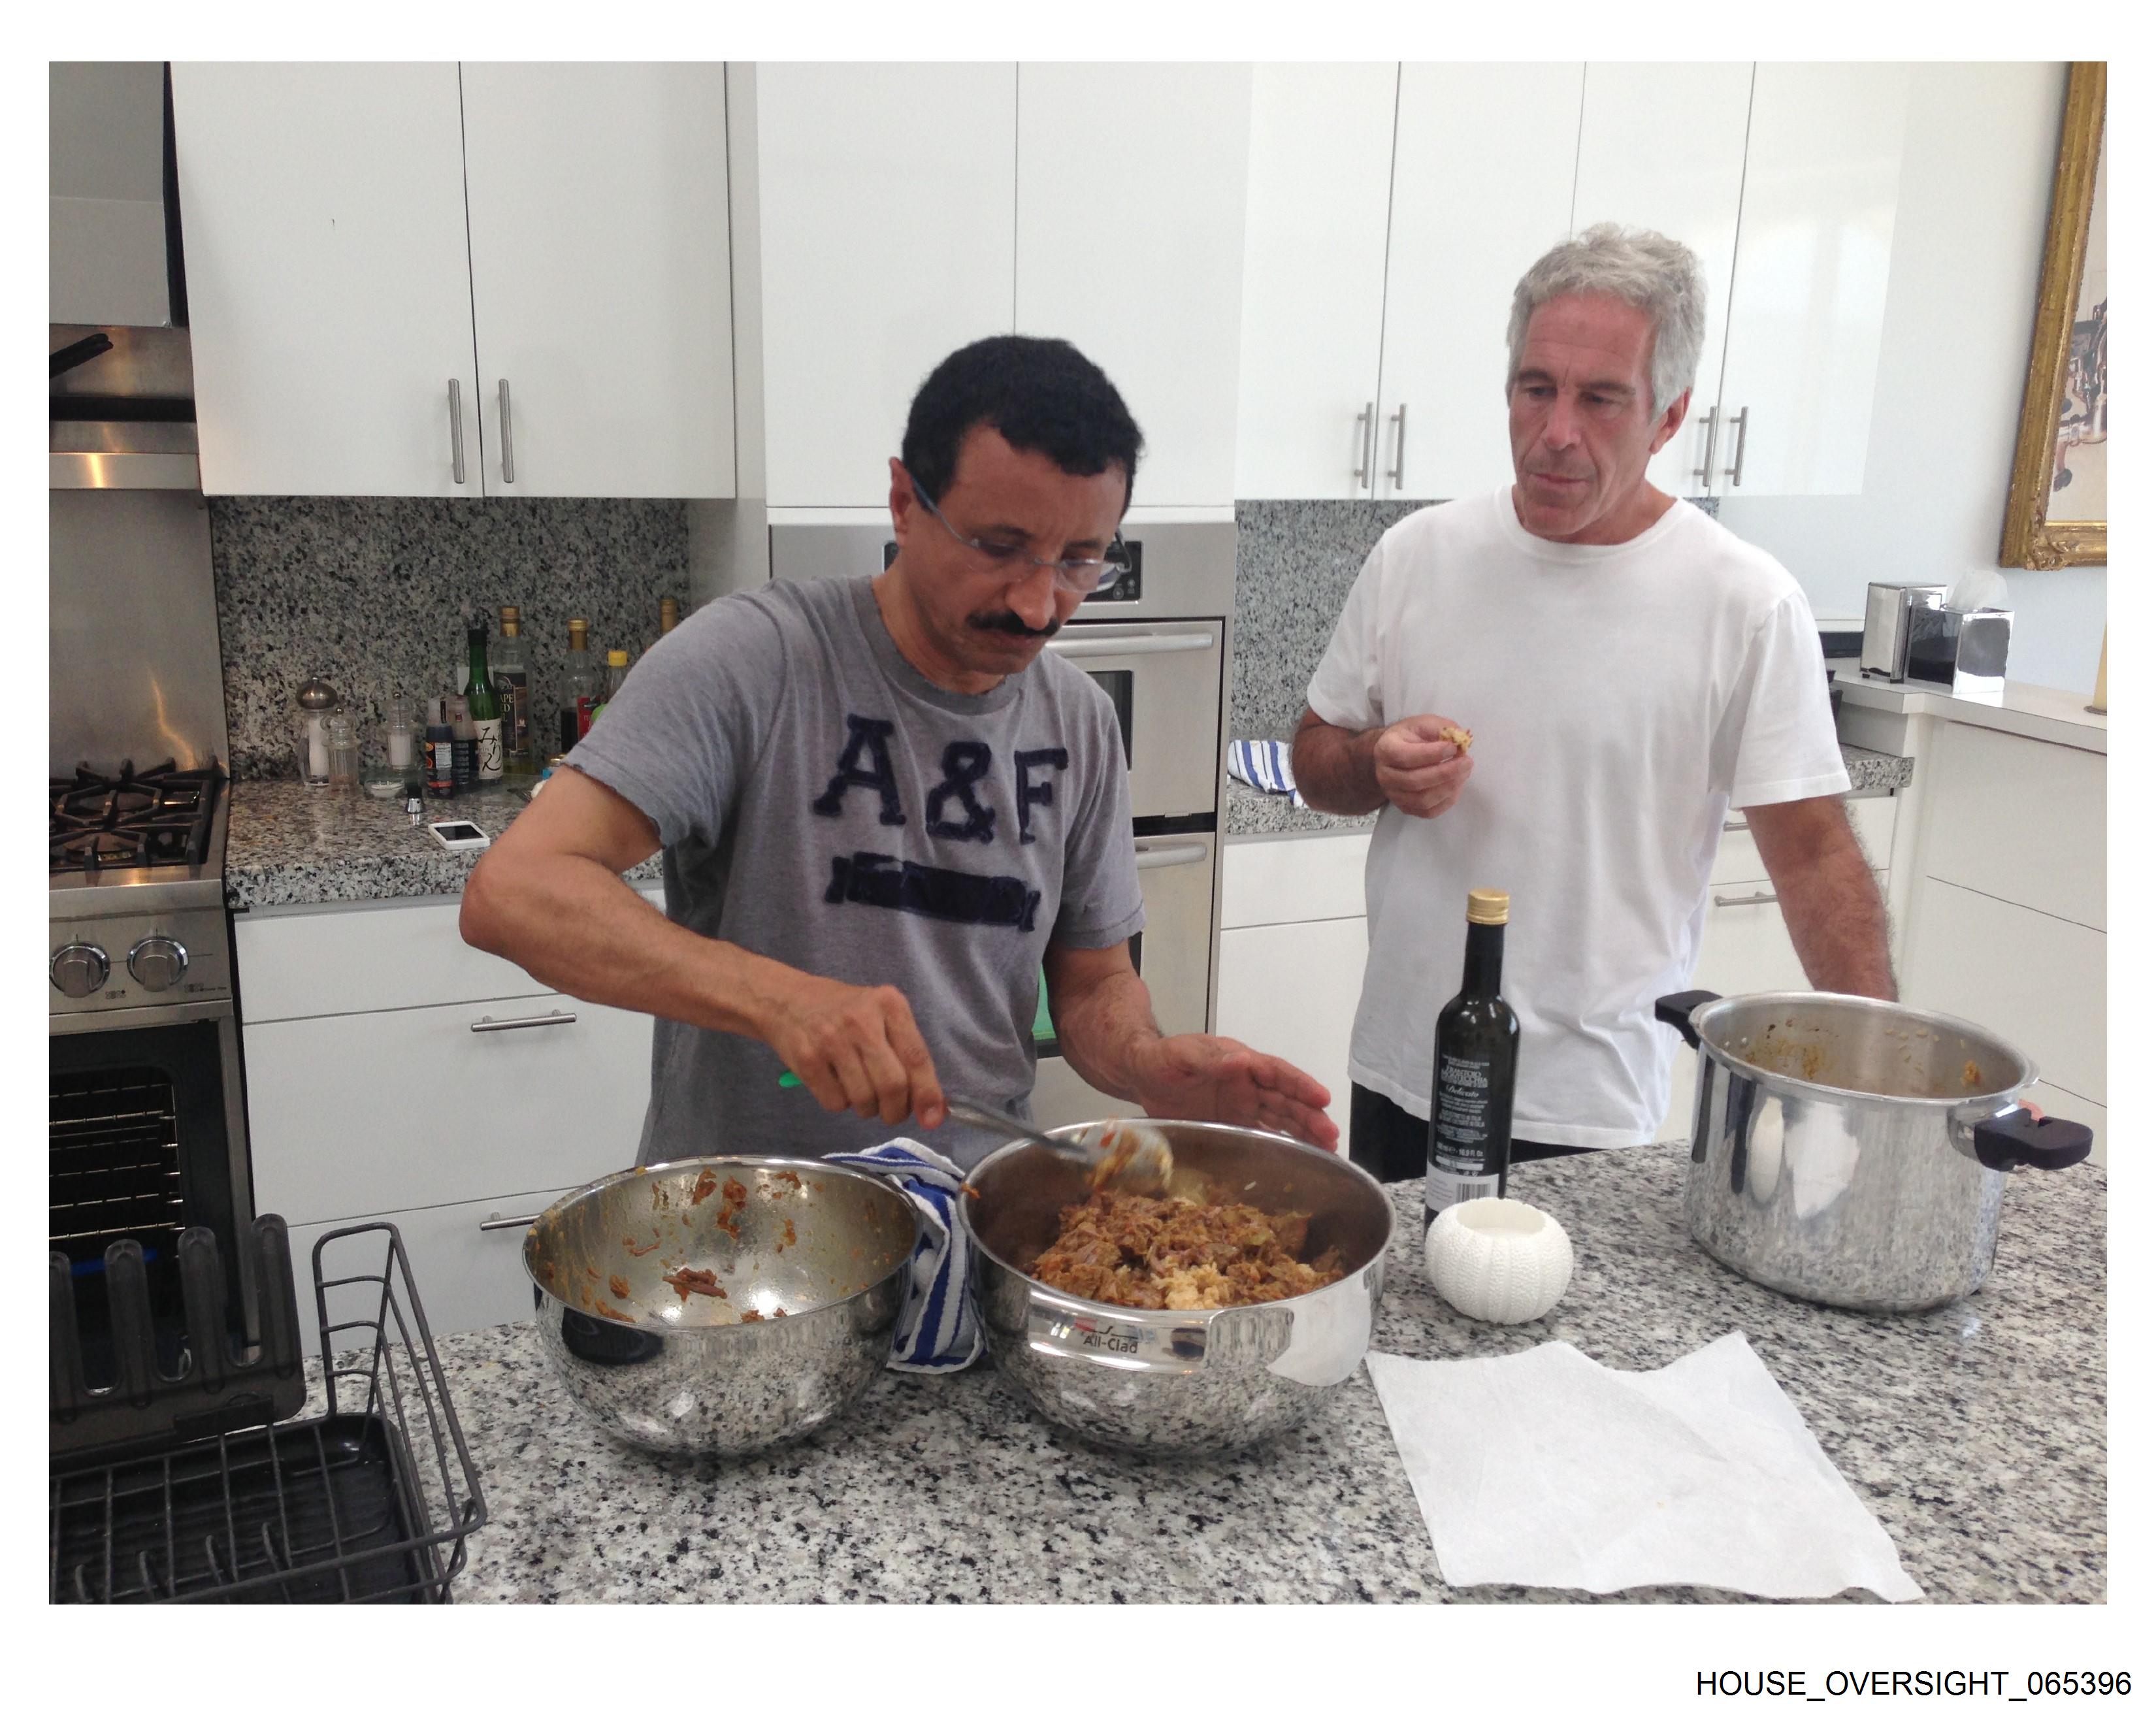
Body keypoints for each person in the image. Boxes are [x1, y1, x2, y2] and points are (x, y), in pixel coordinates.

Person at [462, 334, 1336, 1171]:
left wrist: (1145, 1062)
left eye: (1080, 561)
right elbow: (514, 893)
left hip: (972, 1212)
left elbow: (1092, 983)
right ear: (905, 503)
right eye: (1000, 548)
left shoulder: (1080, 721)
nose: (1038, 606)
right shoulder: (754, 660)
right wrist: (777, 1000)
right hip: (748, 1218)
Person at [1291, 223, 1893, 1184]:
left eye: (1601, 399)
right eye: (1537, 389)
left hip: (1593, 1099)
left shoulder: (1743, 603)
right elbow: (1316, 758)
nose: (1557, 432)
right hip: (1408, 1068)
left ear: (1669, 417)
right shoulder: (1417, 556)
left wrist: (1882, 1082)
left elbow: (1815, 855)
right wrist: (1372, 763)